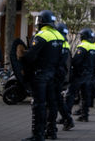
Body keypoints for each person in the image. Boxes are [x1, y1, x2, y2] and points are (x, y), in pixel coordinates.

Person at [21, 10, 65, 141]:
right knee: (52, 104)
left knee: (38, 105)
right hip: (53, 75)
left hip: (40, 75)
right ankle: (52, 132)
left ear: (41, 22)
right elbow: (63, 59)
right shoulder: (59, 36)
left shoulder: (41, 35)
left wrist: (22, 57)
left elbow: (31, 56)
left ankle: (38, 135)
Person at [64, 28, 95, 124]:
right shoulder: (93, 47)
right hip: (88, 76)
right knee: (85, 97)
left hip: (79, 75)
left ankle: (66, 116)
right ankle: (84, 116)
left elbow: (76, 60)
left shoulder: (83, 46)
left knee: (70, 95)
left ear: (83, 36)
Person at [52, 23, 73, 134]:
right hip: (62, 78)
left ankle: (67, 121)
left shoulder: (58, 43)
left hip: (58, 78)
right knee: (59, 101)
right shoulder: (65, 44)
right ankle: (67, 120)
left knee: (55, 102)